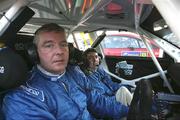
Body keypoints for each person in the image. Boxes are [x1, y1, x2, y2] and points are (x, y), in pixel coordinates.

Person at [2, 23, 128, 119]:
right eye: (49, 45)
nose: (59, 51)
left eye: (63, 44)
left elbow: (98, 102)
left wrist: (130, 110)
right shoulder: (23, 97)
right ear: (34, 53)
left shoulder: (75, 73)